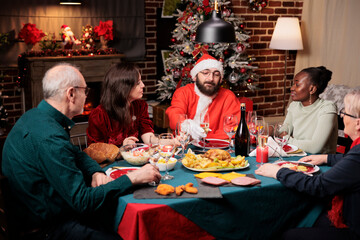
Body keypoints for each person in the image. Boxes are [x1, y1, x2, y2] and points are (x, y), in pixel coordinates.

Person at [1, 63, 161, 240]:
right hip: (48, 227)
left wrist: (94, 171)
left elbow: (75, 153)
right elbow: (83, 202)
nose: (86, 96)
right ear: (71, 94)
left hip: (44, 206)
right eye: (85, 91)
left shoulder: (36, 116)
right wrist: (133, 178)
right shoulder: (50, 138)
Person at [255, 89, 360, 240]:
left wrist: (277, 172)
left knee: (287, 234)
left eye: (345, 112)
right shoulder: (356, 151)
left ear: (358, 123)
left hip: (353, 228)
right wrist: (326, 158)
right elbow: (350, 161)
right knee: (300, 215)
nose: (342, 116)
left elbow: (318, 186)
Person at [166, 54, 241, 140]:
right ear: (195, 77)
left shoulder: (228, 97)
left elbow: (234, 129)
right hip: (185, 146)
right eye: (205, 73)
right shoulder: (183, 92)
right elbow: (175, 114)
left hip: (216, 149)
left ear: (220, 79)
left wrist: (204, 137)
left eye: (216, 74)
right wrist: (187, 125)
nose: (211, 78)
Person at [87, 62, 156, 147]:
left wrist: (167, 141)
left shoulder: (140, 106)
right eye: (138, 83)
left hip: (133, 158)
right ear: (123, 87)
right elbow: (95, 152)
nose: (143, 85)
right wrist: (121, 149)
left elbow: (148, 138)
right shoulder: (99, 115)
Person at [283, 66, 338, 153]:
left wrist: (286, 139)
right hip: (298, 157)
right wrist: (271, 130)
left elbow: (315, 148)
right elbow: (284, 130)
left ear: (312, 89)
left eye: (297, 85)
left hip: (322, 163)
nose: (292, 88)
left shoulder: (327, 108)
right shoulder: (294, 106)